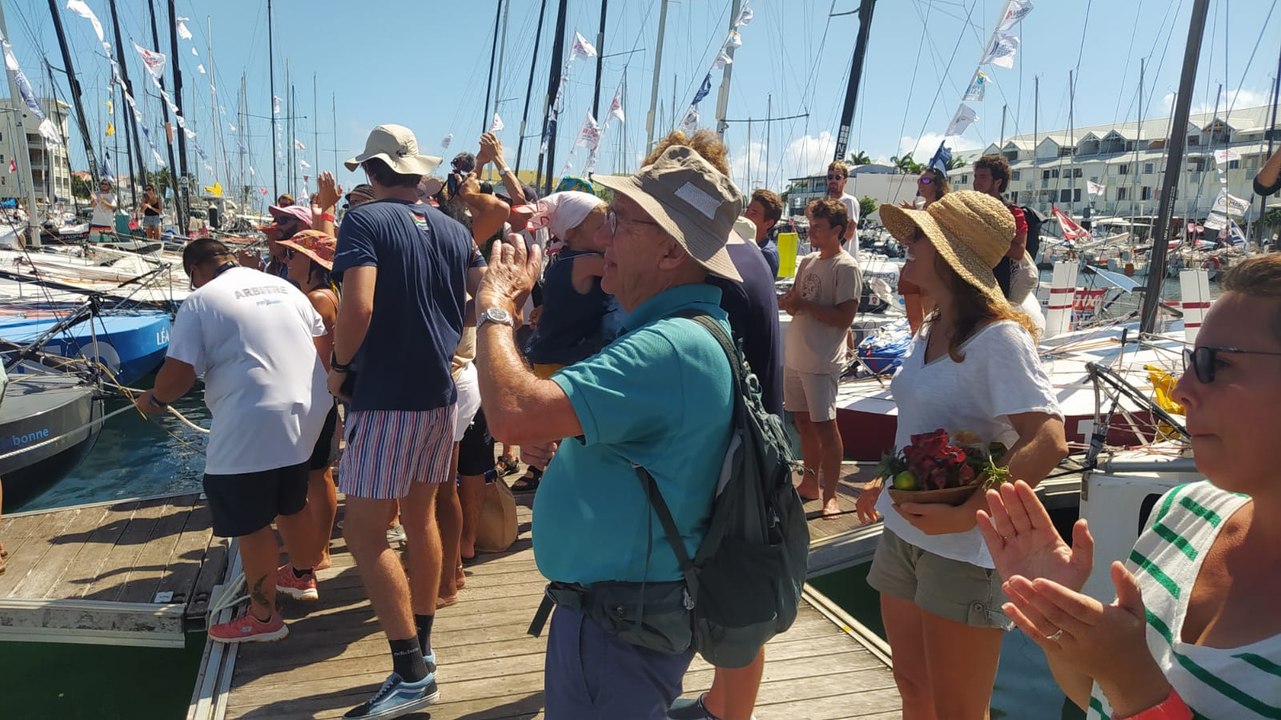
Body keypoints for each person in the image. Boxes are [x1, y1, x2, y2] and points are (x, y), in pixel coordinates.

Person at [474, 145, 740, 718]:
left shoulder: (668, 345)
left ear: (671, 250)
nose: (605, 238)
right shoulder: (688, 332)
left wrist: (495, 307)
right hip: (626, 610)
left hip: (619, 619)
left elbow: (512, 414)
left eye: (620, 221)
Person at [977, 253, 1281, 720]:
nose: (1180, 389)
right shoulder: (1182, 512)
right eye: (1190, 359)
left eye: (1215, 364)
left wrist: (1132, 677)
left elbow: (1126, 687)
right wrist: (1060, 621)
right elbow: (1098, 701)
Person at [853, 191, 1068, 720]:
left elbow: (1048, 439)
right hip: (902, 535)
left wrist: (970, 511)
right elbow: (930, 423)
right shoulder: (934, 325)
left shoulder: (1000, 339)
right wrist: (888, 478)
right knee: (912, 686)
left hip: (964, 551)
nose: (907, 242)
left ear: (948, 253)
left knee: (958, 709)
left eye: (918, 236)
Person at [328, 124, 485, 719]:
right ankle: (422, 651)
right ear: (418, 173)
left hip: (386, 396)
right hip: (439, 394)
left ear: (371, 172)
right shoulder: (454, 228)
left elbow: (358, 305)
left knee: (366, 533)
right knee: (420, 518)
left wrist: (340, 368)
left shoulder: (364, 221)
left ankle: (409, 672)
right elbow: (482, 297)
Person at [639, 133, 779, 720]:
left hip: (730, 454)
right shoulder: (744, 254)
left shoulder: (714, 265)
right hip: (756, 442)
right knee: (739, 596)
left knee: (734, 598)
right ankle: (726, 705)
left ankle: (728, 712)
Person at [133, 239, 330, 642]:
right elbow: (319, 341)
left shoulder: (200, 301)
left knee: (251, 523)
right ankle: (301, 574)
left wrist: (153, 399)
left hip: (251, 418)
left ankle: (262, 619)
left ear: (195, 271)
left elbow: (179, 373)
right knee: (291, 503)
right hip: (306, 409)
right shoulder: (284, 287)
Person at [781, 198, 861, 517]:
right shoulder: (808, 262)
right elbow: (798, 301)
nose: (811, 231)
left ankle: (832, 495)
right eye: (811, 225)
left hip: (822, 361)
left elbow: (845, 317)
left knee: (826, 427)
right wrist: (790, 303)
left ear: (837, 231)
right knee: (802, 422)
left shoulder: (847, 267)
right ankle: (810, 483)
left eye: (818, 226)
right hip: (797, 355)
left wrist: (802, 304)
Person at [278, 229, 341, 574]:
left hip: (317, 396)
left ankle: (319, 549)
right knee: (317, 476)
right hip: (319, 396)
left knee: (318, 476)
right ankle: (315, 545)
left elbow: (319, 357)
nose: (285, 261)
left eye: (292, 256)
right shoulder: (320, 294)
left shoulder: (317, 299)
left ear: (312, 262)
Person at [973, 154, 1037, 304]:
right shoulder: (969, 207)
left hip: (997, 284)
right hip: (970, 278)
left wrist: (985, 235)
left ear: (998, 182)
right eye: (975, 176)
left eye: (983, 177)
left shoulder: (1013, 212)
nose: (976, 182)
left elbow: (1018, 251)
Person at [898, 168, 951, 333]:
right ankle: (916, 347)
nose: (921, 183)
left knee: (931, 318)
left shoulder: (942, 209)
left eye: (926, 180)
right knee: (914, 323)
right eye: (919, 180)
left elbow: (937, 236)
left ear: (938, 184)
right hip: (912, 261)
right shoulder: (919, 205)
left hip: (931, 266)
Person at [825, 161, 861, 260]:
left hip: (844, 259)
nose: (833, 180)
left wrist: (833, 250)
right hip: (828, 258)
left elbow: (850, 231)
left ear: (845, 180)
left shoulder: (849, 201)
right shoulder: (825, 203)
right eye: (830, 177)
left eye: (837, 177)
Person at [744, 188, 783, 279]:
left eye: (754, 213)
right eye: (747, 210)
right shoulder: (750, 246)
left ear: (768, 223)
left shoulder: (765, 253)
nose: (746, 215)